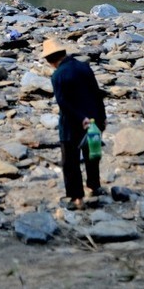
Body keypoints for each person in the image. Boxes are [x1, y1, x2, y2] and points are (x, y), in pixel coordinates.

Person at [42, 39, 107, 210]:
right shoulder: (84, 67)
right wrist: (102, 117)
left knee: (70, 161)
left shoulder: (58, 75)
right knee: (92, 154)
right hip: (93, 120)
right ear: (63, 53)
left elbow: (63, 103)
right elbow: (97, 93)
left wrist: (80, 118)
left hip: (71, 123)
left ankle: (77, 197)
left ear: (50, 60)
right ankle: (94, 186)